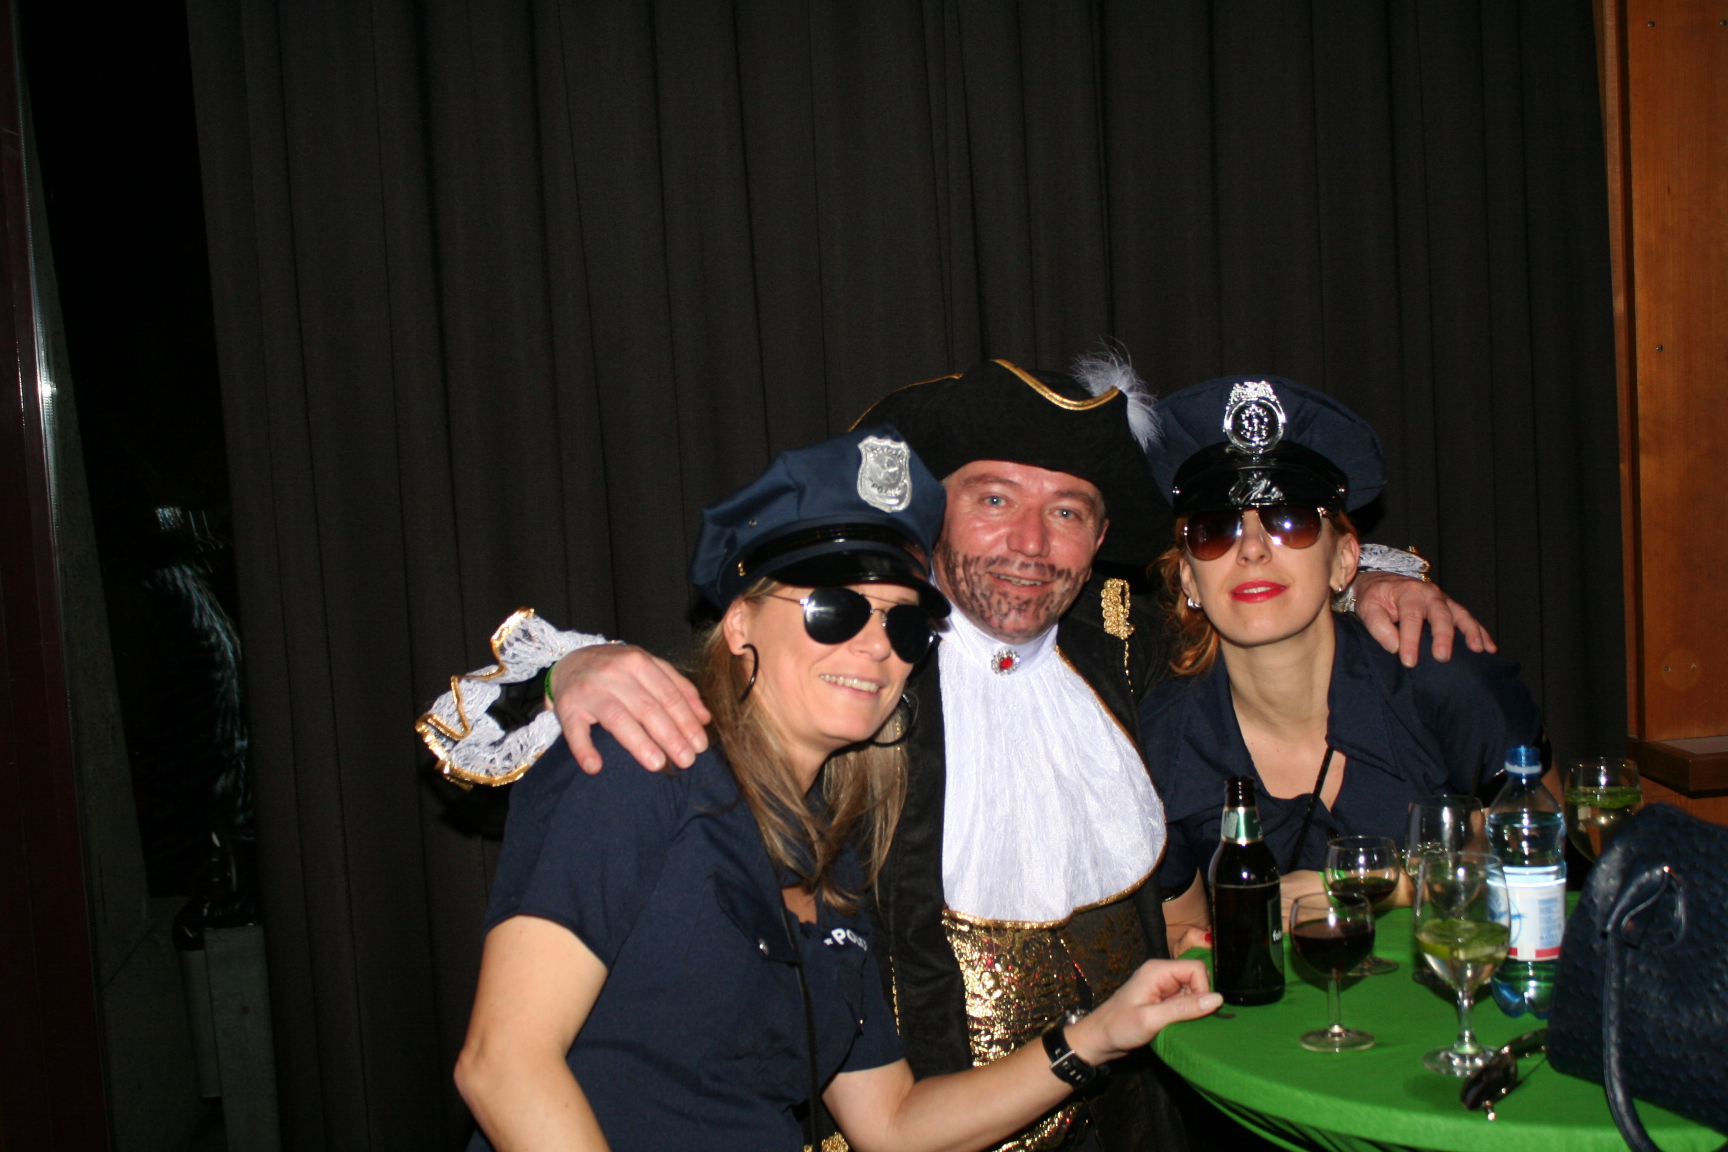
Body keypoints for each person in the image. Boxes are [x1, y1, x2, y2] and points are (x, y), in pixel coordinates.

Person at [423, 353, 1490, 1151]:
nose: (1031, 543)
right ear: (935, 525)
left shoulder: (1120, 644)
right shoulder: (843, 691)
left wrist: (1374, 576)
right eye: (993, 500)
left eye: (1068, 512)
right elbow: (639, 700)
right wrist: (577, 665)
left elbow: (1254, 579)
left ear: (1099, 544)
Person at [452, 428, 1223, 1152]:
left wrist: (1098, 1034)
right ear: (740, 623)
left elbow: (891, 1125)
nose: (874, 646)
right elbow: (502, 1066)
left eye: (905, 625)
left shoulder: (833, 851)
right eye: (833, 608)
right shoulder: (643, 765)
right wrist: (566, 667)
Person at [1136, 376, 1541, 949]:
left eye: (1290, 522)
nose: (1252, 549)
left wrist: (1378, 887)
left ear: (1345, 561)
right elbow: (1182, 931)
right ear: (1189, 578)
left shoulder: (1443, 677)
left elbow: (1542, 857)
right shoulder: (1159, 747)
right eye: (1215, 531)